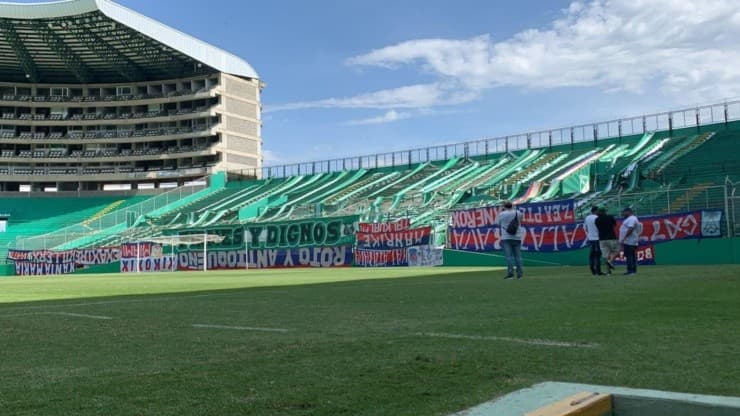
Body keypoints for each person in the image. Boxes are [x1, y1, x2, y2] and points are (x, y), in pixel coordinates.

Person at [497, 200, 524, 279]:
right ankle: (520, 275)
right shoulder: (518, 213)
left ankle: (510, 274)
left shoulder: (501, 214)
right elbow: (520, 222)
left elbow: (497, 223)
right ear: (512, 205)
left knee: (509, 257)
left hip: (506, 237)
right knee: (518, 257)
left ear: (504, 206)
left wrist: (501, 211)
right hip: (517, 236)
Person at [595, 207, 619, 274]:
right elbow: (614, 224)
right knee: (616, 251)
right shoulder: (610, 217)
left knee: (606, 255)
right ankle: (610, 261)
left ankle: (608, 271)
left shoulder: (597, 219)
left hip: (602, 239)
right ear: (605, 211)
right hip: (611, 237)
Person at [619, 207, 640, 275]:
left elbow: (630, 228)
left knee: (630, 255)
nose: (623, 213)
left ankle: (631, 271)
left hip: (630, 240)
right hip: (628, 240)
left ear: (629, 212)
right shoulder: (629, 219)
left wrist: (624, 237)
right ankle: (632, 270)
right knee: (630, 255)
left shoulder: (632, 218)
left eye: (624, 212)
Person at [584, 206, 604, 275]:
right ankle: (598, 270)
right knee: (597, 255)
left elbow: (586, 228)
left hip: (591, 238)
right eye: (598, 211)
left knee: (592, 255)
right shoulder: (597, 218)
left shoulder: (587, 217)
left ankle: (592, 269)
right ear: (596, 211)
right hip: (597, 238)